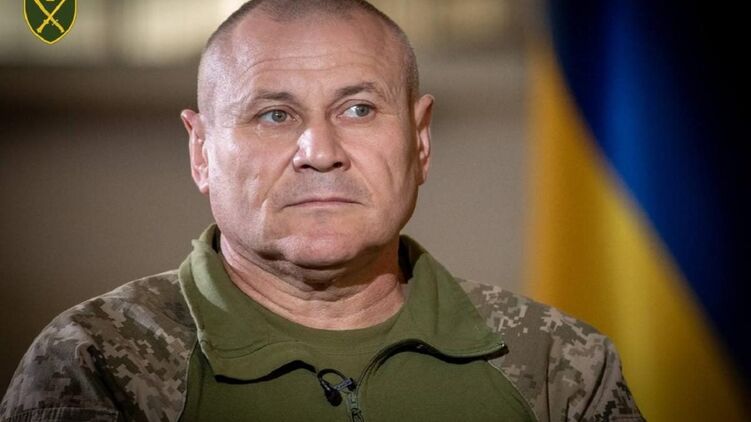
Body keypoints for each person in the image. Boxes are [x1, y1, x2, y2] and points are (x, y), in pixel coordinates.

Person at [1, 1, 643, 421]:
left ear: (420, 141)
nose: (321, 152)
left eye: (358, 109)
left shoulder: (559, 364)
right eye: (274, 115)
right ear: (201, 151)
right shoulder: (96, 360)